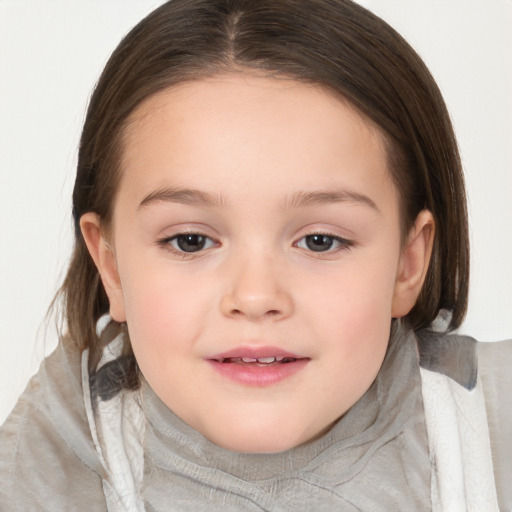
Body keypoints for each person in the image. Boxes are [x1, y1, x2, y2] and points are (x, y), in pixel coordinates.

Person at [1, 0, 510, 510]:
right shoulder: (52, 455)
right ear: (110, 267)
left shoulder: (493, 427)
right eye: (191, 241)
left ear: (407, 263)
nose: (255, 296)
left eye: (320, 241)